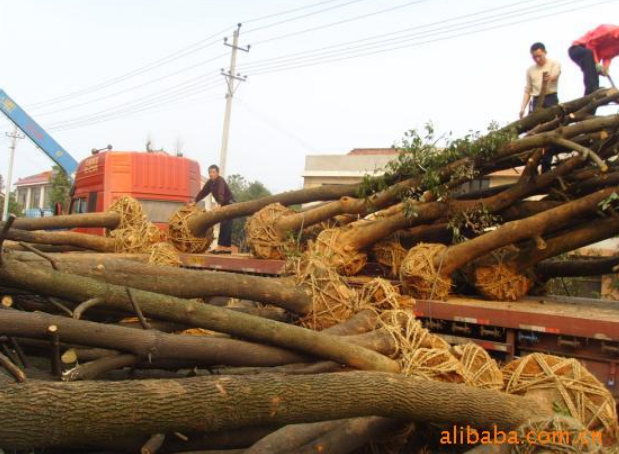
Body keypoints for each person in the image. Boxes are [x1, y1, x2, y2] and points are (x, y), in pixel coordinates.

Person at [519, 42, 561, 172]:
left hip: (551, 98)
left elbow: (555, 75)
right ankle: (532, 166)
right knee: (534, 132)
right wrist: (522, 108)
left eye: (539, 56)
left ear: (544, 52)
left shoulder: (554, 63)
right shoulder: (530, 70)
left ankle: (546, 165)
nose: (537, 59)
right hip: (536, 101)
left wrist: (549, 78)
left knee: (551, 131)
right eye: (534, 57)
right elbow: (528, 90)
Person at [194, 164, 234, 254]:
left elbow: (220, 192)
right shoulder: (210, 183)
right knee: (225, 224)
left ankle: (222, 246)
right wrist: (195, 201)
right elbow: (203, 192)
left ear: (217, 173)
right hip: (222, 204)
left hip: (229, 203)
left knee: (226, 224)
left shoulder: (220, 180)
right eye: (210, 172)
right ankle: (226, 247)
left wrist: (219, 203)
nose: (211, 174)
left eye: (213, 172)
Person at [569, 24, 619, 95]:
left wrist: (605, 68)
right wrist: (597, 63)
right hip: (577, 49)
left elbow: (608, 56)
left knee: (592, 70)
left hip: (591, 58)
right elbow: (590, 44)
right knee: (589, 58)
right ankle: (592, 90)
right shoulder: (608, 30)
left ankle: (589, 95)